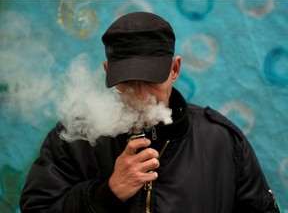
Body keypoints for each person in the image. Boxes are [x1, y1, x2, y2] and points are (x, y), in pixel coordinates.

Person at [20, 12, 280, 213]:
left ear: (174, 70)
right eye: (129, 82)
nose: (141, 97)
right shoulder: (74, 138)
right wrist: (106, 195)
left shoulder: (222, 141)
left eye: (151, 81)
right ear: (107, 71)